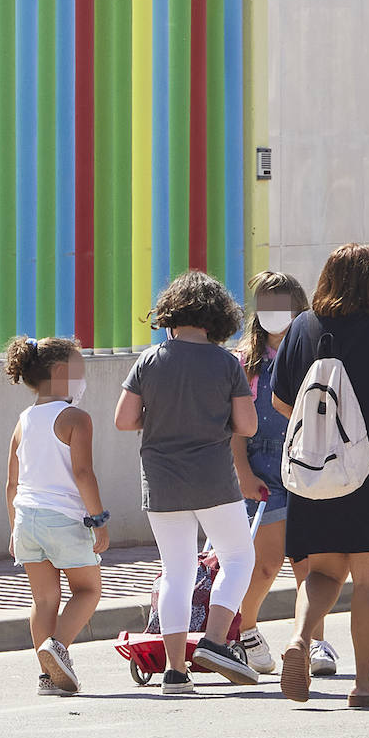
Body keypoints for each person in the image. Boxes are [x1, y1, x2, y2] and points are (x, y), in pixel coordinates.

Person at [271, 244, 369, 707]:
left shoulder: (303, 327)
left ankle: (301, 639)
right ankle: (364, 686)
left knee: (322, 571)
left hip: (316, 469)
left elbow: (282, 402)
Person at [114, 270, 260, 694]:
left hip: (161, 480)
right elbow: (247, 426)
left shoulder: (150, 359)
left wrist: (159, 419)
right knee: (237, 558)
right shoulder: (225, 362)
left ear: (170, 313)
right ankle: (214, 641)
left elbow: (124, 420)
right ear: (217, 317)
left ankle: (175, 672)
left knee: (176, 572)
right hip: (213, 477)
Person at [231, 271, 340, 678]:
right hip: (262, 470)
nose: (274, 314)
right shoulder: (244, 362)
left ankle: (312, 641)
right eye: (266, 304)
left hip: (307, 464)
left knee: (309, 563)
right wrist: (242, 471)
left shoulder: (314, 354)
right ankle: (245, 630)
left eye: (283, 305)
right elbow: (235, 427)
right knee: (265, 564)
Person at [3, 335, 107, 697]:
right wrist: (99, 519)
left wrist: (15, 530)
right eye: (79, 369)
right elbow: (83, 474)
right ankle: (57, 647)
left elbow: (11, 483)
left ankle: (47, 677)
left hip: (26, 519)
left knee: (44, 600)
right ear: (61, 372)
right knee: (88, 589)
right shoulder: (75, 418)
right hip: (64, 518)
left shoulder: (23, 420)